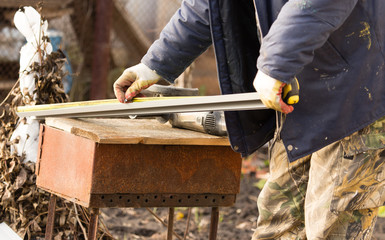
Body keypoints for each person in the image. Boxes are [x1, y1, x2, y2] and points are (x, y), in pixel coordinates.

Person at [113, 0, 385, 239]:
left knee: (330, 225)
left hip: (359, 90)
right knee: (279, 225)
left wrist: (276, 64)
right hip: (302, 89)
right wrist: (155, 65)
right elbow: (210, 4)